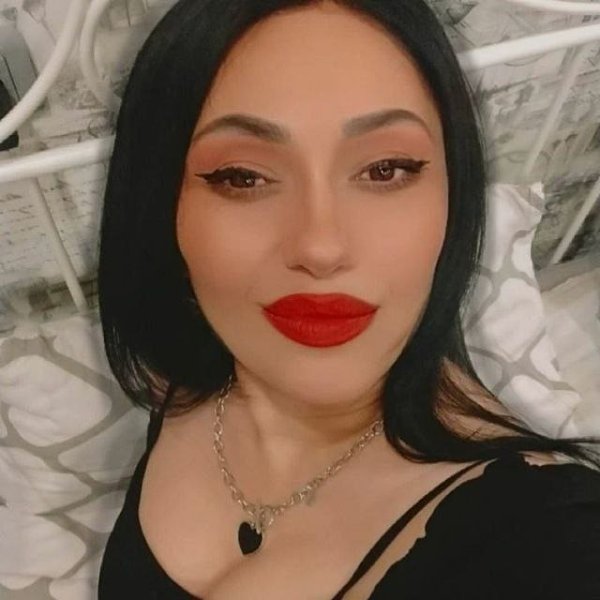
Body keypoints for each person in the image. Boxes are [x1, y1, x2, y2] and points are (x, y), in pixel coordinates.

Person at [96, 0, 600, 598]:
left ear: (453, 195)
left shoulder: (544, 536)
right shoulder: (196, 371)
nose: (321, 246)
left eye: (386, 169)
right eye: (242, 176)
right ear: (163, 206)